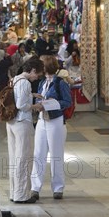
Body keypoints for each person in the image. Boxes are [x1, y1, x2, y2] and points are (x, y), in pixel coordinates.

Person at [30, 55, 72, 200]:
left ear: (47, 66)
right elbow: (38, 98)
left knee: (56, 154)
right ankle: (35, 187)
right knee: (38, 153)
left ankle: (58, 188)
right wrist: (38, 104)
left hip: (56, 121)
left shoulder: (61, 83)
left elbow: (67, 102)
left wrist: (51, 104)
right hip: (42, 120)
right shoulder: (42, 82)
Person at [6, 57, 44, 203]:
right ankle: (22, 196)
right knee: (23, 159)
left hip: (12, 122)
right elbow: (21, 104)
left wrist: (32, 95)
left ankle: (14, 192)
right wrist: (36, 106)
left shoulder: (15, 79)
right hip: (22, 122)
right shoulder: (25, 83)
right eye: (37, 74)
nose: (37, 78)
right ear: (33, 70)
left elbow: (17, 96)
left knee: (14, 158)